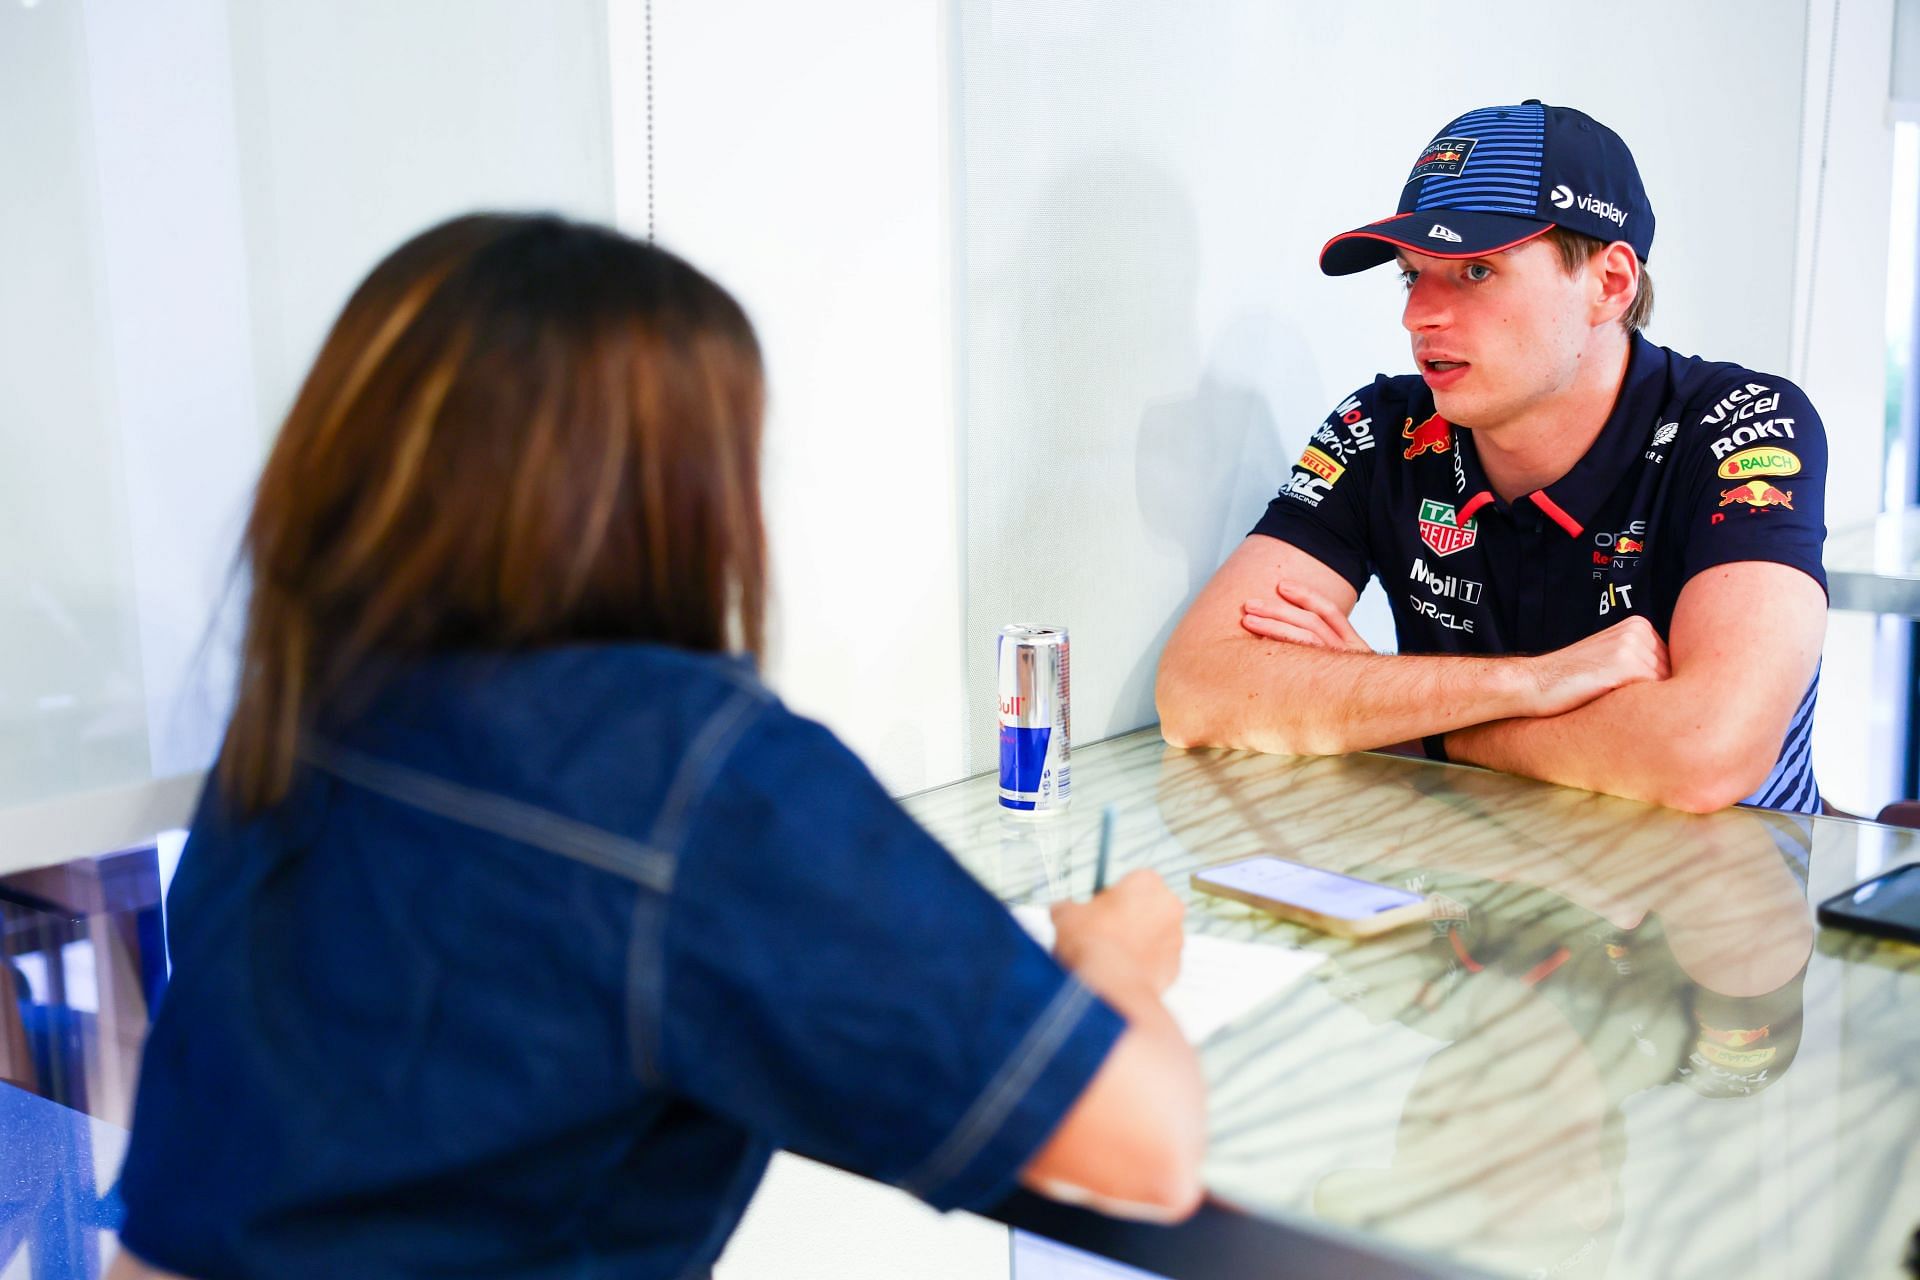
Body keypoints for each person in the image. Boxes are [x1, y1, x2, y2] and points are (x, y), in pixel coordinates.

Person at [108, 214, 1204, 1280]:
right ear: (675, 489)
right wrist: (1114, 957)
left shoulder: (298, 717)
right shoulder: (692, 776)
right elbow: (1150, 1142)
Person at [1156, 100, 1828, 815]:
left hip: (1720, 901)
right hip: (1457, 891)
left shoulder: (1745, 424)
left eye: (1476, 271)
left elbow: (1703, 755)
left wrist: (1410, 724)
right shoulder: (1382, 426)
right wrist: (1529, 684)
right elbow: (1197, 690)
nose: (1418, 316)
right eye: (1412, 274)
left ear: (1610, 283)